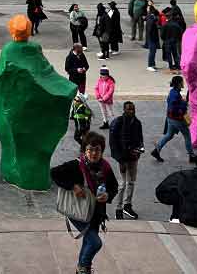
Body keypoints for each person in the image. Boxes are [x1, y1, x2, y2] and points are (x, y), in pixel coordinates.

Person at [51, 131, 118, 274]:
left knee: (88, 241)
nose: (93, 153)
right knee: (95, 242)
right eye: (90, 150)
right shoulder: (76, 165)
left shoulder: (105, 167)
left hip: (95, 213)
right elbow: (54, 173)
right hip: (78, 212)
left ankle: (81, 269)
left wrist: (108, 195)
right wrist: (72, 186)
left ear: (102, 151)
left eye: (97, 150)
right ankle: (83, 268)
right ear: (84, 150)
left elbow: (114, 187)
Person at [108, 101, 144, 220]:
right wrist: (120, 160)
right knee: (122, 184)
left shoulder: (137, 123)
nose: (132, 111)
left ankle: (127, 205)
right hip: (123, 159)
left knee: (131, 182)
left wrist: (139, 150)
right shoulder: (118, 123)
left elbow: (140, 139)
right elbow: (113, 144)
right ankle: (118, 208)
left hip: (133, 158)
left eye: (133, 109)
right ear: (124, 110)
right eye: (129, 109)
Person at [150, 75, 194, 163]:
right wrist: (183, 105)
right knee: (187, 136)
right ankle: (191, 155)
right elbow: (174, 108)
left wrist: (182, 102)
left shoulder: (173, 92)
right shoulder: (175, 94)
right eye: (182, 82)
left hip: (170, 119)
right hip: (177, 120)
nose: (183, 83)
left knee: (169, 135)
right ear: (178, 83)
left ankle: (156, 150)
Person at [160, 7, 182, 71]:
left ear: (167, 17)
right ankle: (177, 66)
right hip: (174, 40)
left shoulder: (165, 25)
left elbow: (162, 35)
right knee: (175, 54)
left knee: (169, 55)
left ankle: (171, 66)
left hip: (167, 41)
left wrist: (164, 39)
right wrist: (178, 39)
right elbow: (180, 33)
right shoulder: (176, 24)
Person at [144, 0, 161, 72]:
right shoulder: (151, 18)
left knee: (153, 52)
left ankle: (153, 64)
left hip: (152, 37)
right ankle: (150, 65)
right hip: (152, 38)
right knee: (152, 51)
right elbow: (150, 29)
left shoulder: (149, 16)